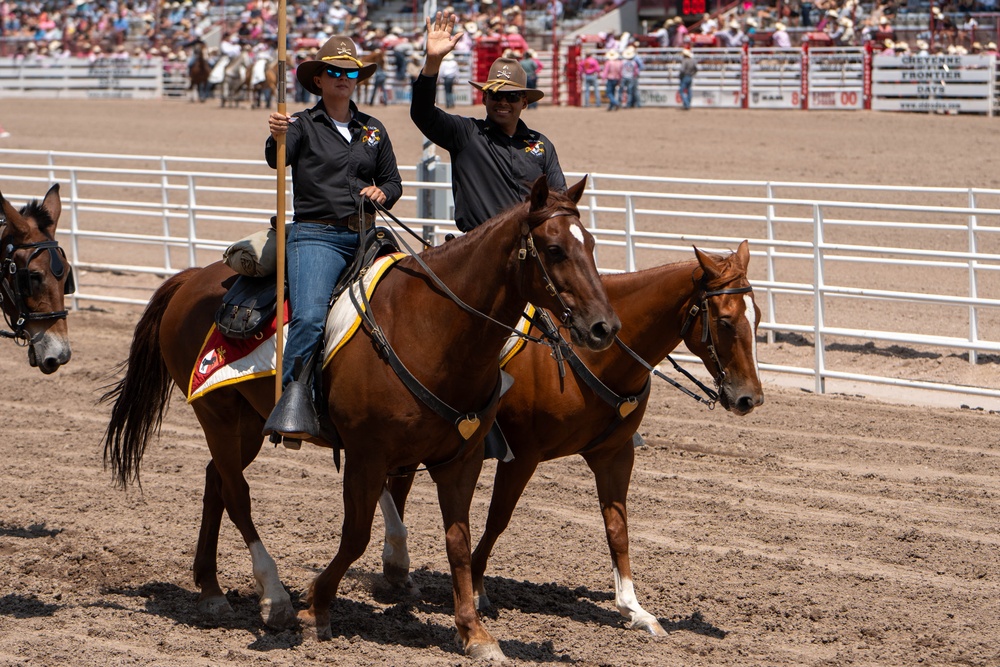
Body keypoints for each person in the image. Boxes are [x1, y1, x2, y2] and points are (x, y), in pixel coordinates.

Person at [263, 34, 403, 441]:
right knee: (308, 318)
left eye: (351, 72)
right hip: (315, 236)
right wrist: (277, 136)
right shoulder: (301, 125)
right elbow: (277, 160)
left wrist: (383, 193)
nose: (344, 78)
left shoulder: (373, 130)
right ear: (319, 80)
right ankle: (293, 404)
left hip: (367, 237)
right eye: (335, 72)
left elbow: (393, 182)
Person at [410, 12, 566, 233]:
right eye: (495, 94)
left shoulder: (541, 144)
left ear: (524, 102)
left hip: (530, 251)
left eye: (511, 96)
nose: (503, 101)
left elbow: (558, 197)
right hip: (479, 250)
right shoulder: (466, 134)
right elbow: (422, 113)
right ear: (484, 98)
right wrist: (433, 61)